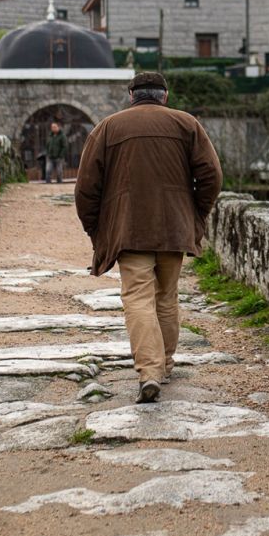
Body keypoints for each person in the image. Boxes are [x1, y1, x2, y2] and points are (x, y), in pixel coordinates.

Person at [75, 72, 222, 403]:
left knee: (138, 297)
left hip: (129, 230)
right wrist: (196, 215)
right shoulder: (187, 125)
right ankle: (165, 365)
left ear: (131, 95)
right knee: (167, 296)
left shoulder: (108, 128)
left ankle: (149, 372)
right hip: (174, 228)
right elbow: (211, 176)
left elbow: (86, 188)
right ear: (165, 96)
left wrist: (96, 230)